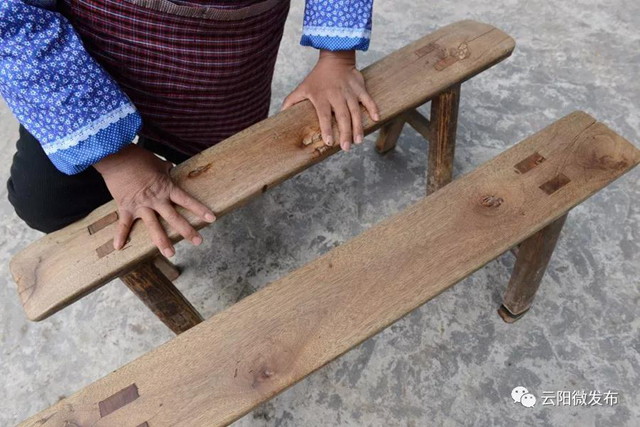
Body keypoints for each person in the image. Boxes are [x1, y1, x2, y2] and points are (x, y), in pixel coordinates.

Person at [0, 0, 379, 259]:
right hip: (83, 72)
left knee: (224, 174)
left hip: (223, 63)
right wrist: (115, 161)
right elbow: (13, 18)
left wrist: (337, 58)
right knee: (46, 202)